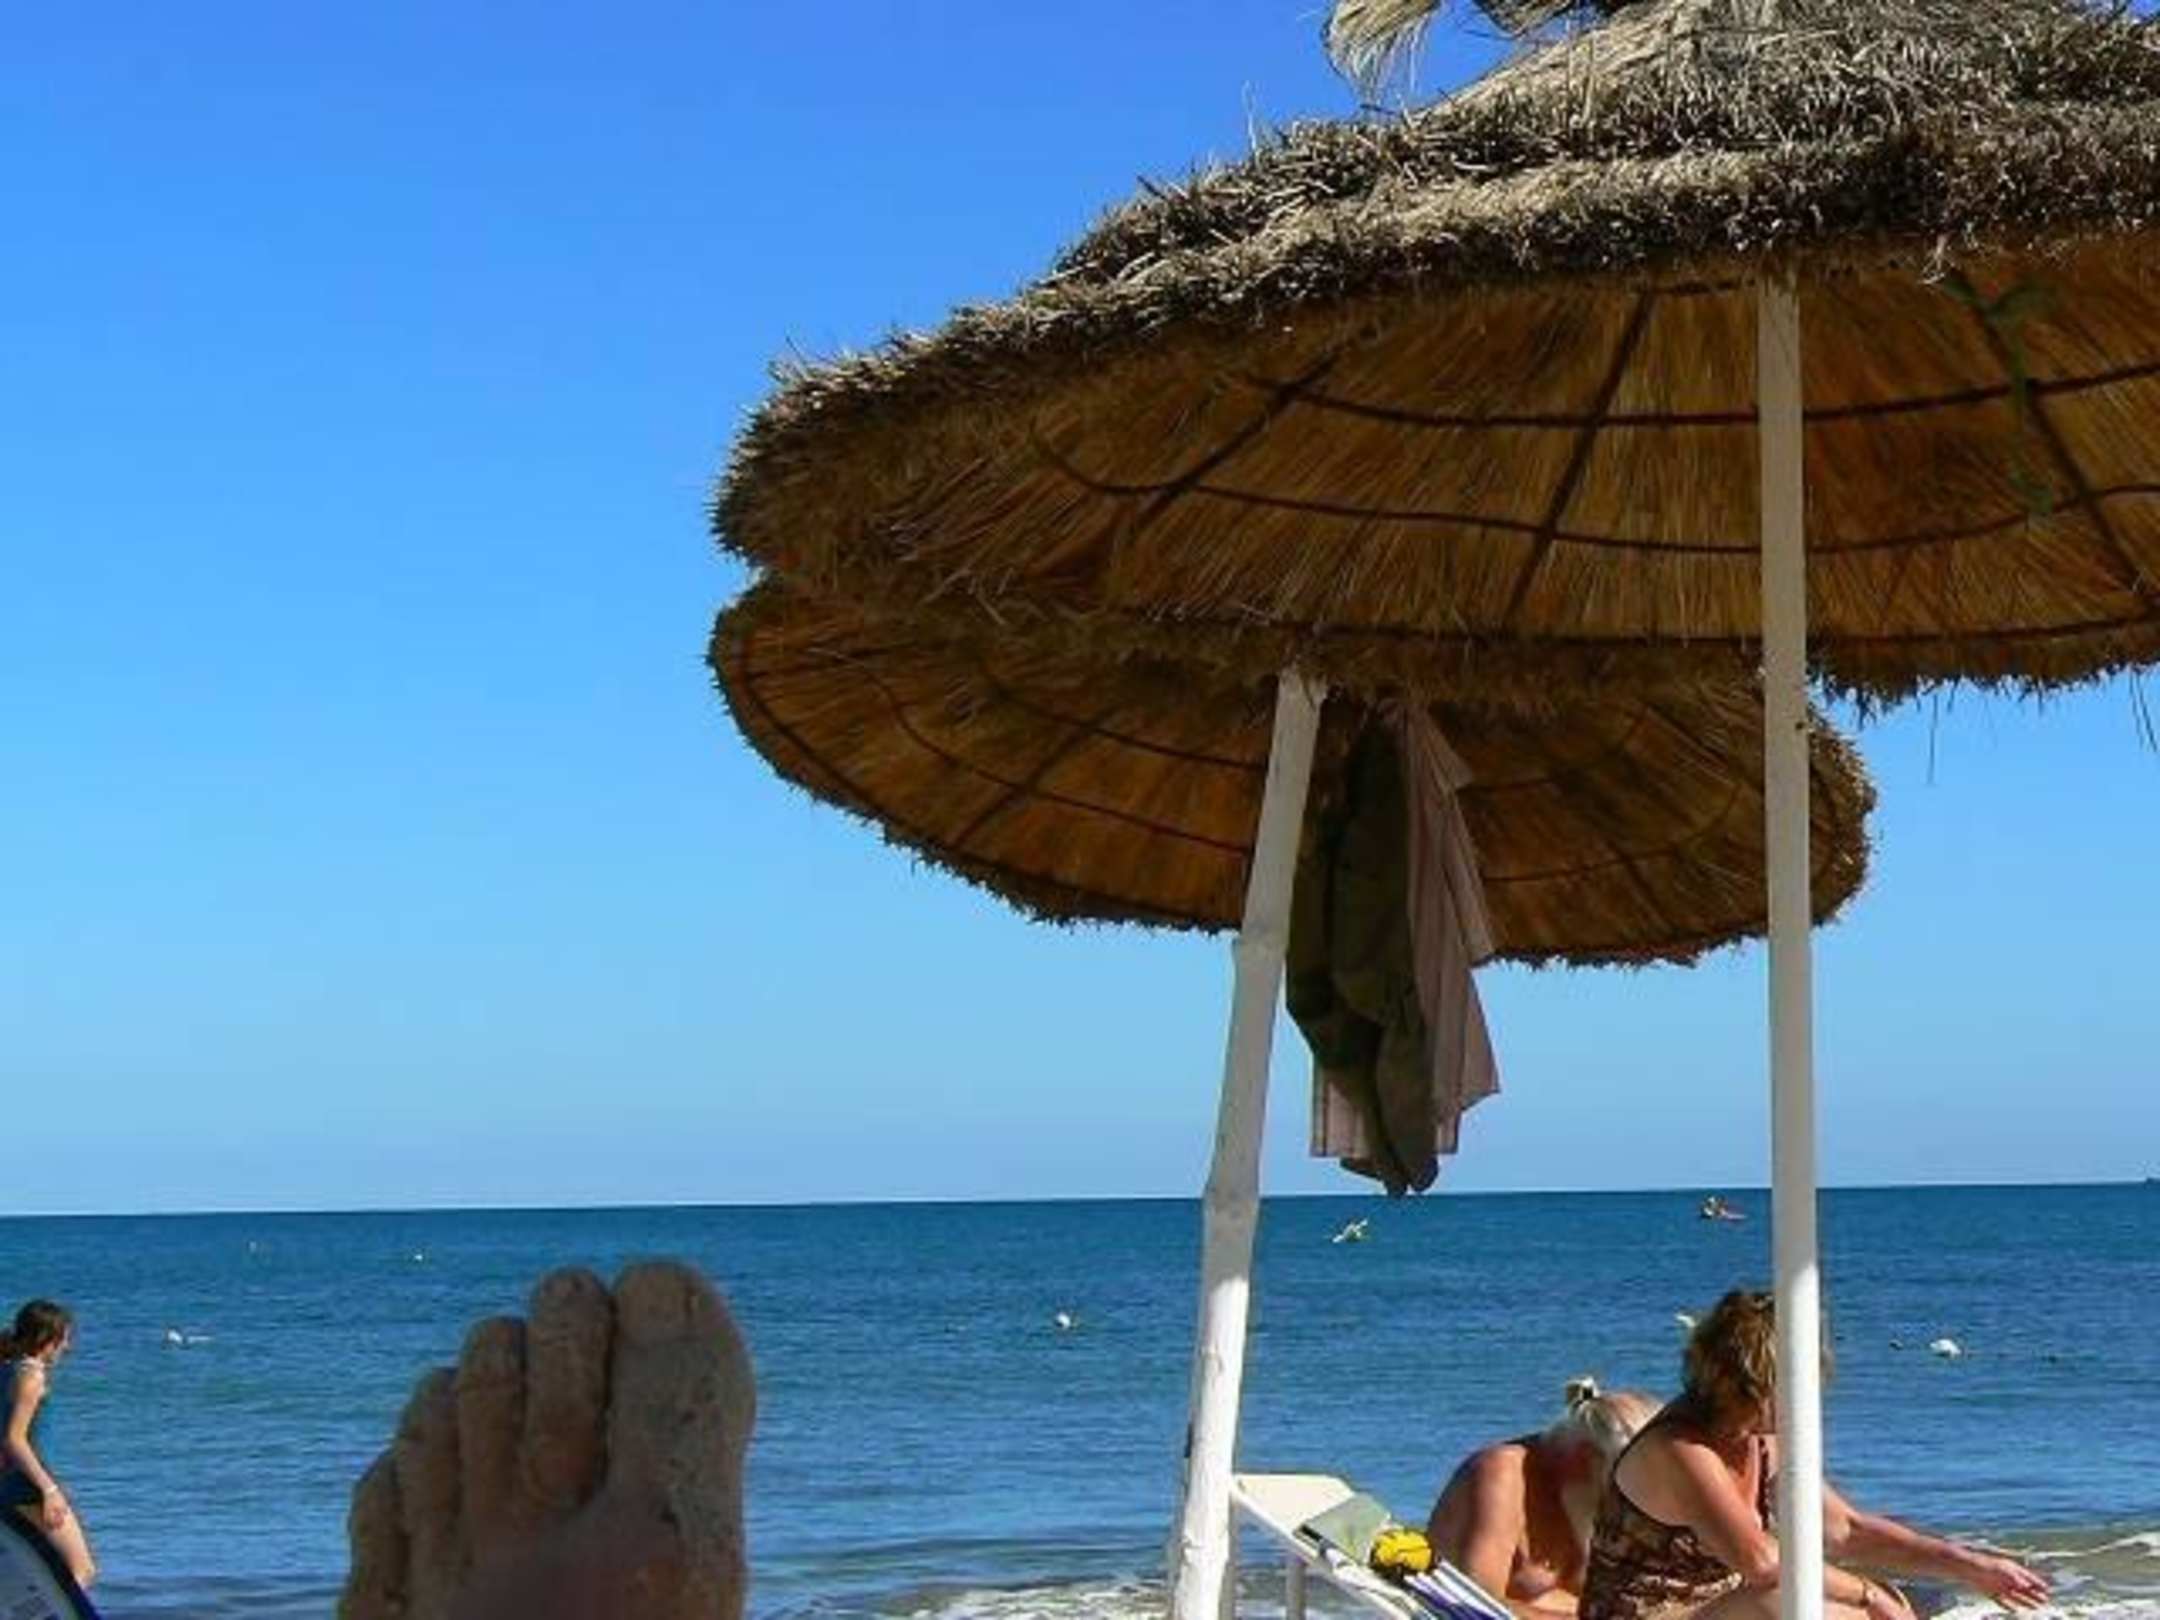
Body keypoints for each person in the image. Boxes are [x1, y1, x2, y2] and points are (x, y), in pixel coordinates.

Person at [1580, 1290, 2049, 1620]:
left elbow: (1845, 1529)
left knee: (1885, 1602)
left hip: (1721, 1608)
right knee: (1792, 1605)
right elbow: (1761, 1562)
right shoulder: (1681, 1450)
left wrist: (1969, 1565)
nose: (1811, 1395)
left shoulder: (1759, 1438)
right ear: (1752, 1384)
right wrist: (1865, 1594)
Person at [1428, 1379, 1659, 1615]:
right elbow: (1474, 1605)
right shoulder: (1503, 1475)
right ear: (1581, 1460)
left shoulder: (1593, 1501)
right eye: (1624, 1488)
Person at [1, 1299, 96, 1590]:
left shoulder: (6, 1369)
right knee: (81, 1570)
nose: (67, 1347)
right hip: (28, 1485)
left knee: (39, 1567)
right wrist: (49, 1489)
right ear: (46, 1338)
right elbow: (14, 1438)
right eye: (63, 1339)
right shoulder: (31, 1377)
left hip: (9, 1482)